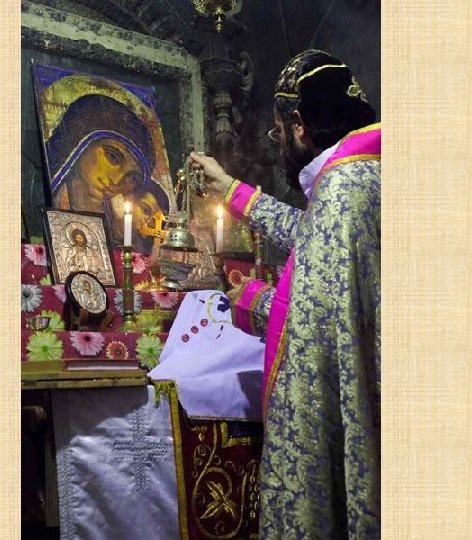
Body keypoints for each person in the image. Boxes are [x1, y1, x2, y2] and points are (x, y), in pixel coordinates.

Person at [190, 49, 380, 539]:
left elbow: (314, 331)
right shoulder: (372, 174)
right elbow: (315, 239)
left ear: (298, 125)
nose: (279, 145)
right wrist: (230, 189)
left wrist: (252, 301)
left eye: (277, 132)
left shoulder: (342, 191)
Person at [46, 93, 155, 216]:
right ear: (81, 142)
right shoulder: (45, 194)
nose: (116, 181)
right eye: (113, 157)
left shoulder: (118, 223)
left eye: (133, 178)